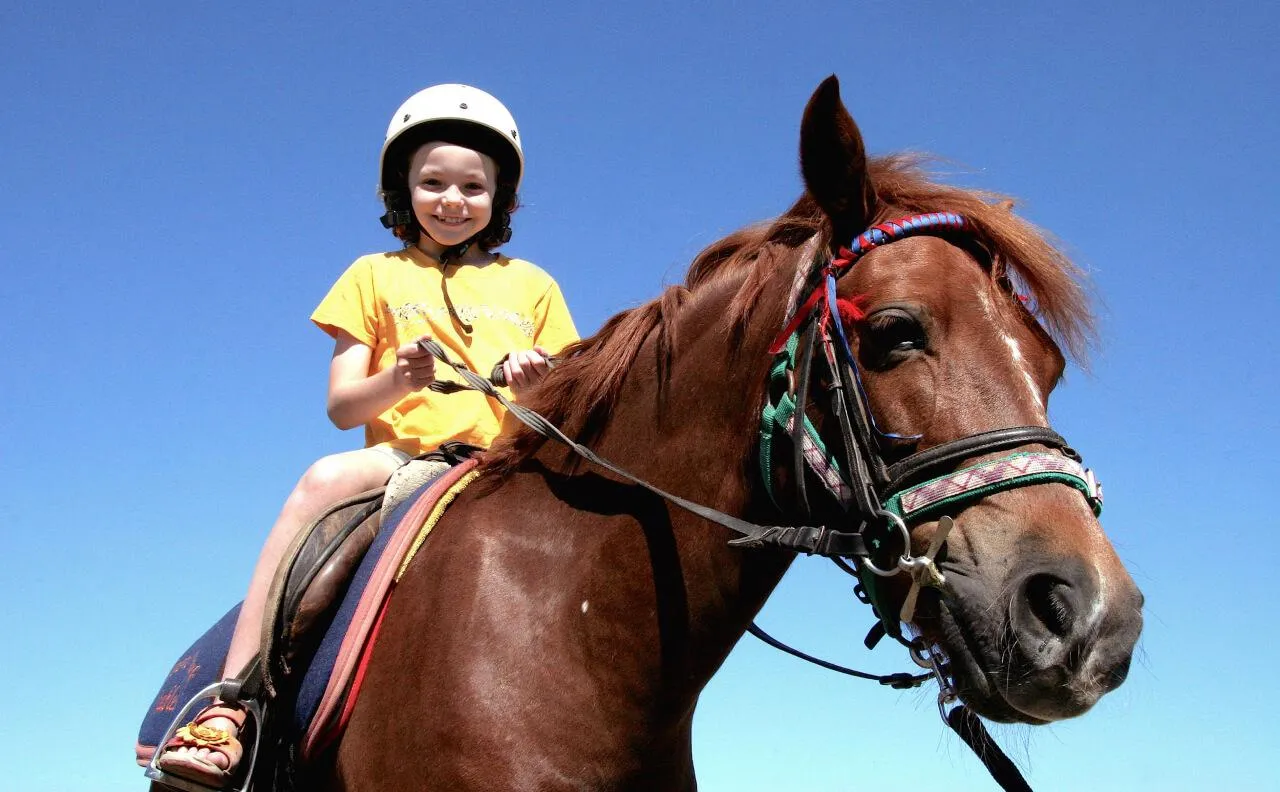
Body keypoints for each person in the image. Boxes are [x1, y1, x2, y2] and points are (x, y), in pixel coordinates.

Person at [156, 84, 579, 787]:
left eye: (473, 186)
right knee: (322, 480)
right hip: (405, 461)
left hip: (505, 465)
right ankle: (228, 709)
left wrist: (538, 380)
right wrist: (401, 379)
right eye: (433, 181)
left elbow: (566, 396)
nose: (452, 199)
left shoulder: (532, 285)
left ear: (499, 197)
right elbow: (343, 407)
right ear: (402, 189)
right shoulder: (372, 275)